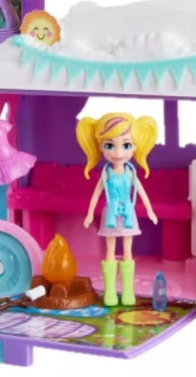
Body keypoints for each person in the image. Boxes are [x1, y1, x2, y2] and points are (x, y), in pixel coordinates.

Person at [76, 113, 158, 306]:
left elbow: (142, 193)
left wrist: (150, 211)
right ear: (101, 146)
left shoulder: (130, 173)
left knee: (128, 250)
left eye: (126, 145)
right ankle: (110, 293)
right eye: (110, 145)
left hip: (128, 213)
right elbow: (96, 195)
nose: (118, 152)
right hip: (110, 213)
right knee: (110, 251)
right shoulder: (106, 174)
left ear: (135, 146)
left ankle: (128, 292)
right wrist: (89, 214)